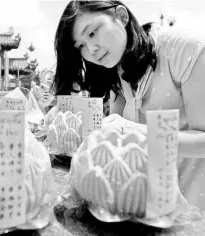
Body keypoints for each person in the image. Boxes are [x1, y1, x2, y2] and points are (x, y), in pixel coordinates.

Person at [52, 0, 205, 210]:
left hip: (194, 208)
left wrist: (135, 130)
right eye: (81, 46)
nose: (91, 49)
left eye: (93, 33)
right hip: (148, 206)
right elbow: (116, 139)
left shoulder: (187, 48)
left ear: (121, 16)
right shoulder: (118, 68)